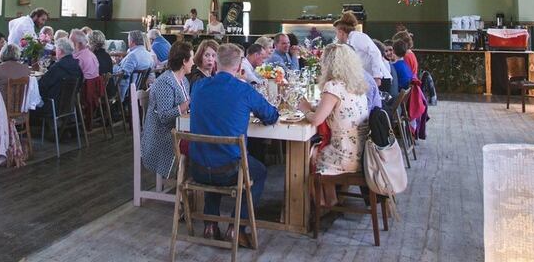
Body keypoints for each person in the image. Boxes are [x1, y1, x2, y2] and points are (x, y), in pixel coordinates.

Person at [190, 44, 279, 246]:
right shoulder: (244, 90)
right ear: (240, 66)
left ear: (216, 64)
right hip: (228, 170)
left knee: (213, 154)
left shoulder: (198, 87)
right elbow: (271, 115)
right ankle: (236, 229)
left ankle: (210, 225)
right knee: (259, 171)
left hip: (198, 169)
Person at [297, 44, 371, 206]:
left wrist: (304, 110)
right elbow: (337, 109)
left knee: (309, 156)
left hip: (345, 155)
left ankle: (324, 202)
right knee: (318, 150)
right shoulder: (356, 85)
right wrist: (312, 108)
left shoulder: (333, 86)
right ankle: (331, 199)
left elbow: (316, 120)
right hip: (362, 152)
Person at [141, 42, 193, 179]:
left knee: (201, 143)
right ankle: (188, 188)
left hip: (177, 131)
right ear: (184, 61)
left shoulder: (184, 81)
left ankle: (191, 188)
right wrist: (187, 104)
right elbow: (164, 117)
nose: (193, 62)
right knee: (199, 146)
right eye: (191, 59)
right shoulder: (165, 82)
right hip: (161, 136)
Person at [334, 12, 390, 85]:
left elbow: (375, 53)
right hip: (369, 79)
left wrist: (377, 77)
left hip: (380, 80)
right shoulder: (349, 41)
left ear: (341, 32)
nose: (336, 36)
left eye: (336, 33)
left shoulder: (357, 37)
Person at [34, 37, 82, 116]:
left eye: (56, 49)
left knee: (29, 102)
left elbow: (41, 86)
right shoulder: (77, 65)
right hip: (69, 105)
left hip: (52, 106)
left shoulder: (58, 67)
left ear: (60, 51)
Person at [71, 30, 103, 119]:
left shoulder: (78, 58)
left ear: (79, 44)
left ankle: (64, 122)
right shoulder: (91, 55)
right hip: (93, 93)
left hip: (83, 95)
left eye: (72, 42)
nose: (70, 45)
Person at [115, 30, 154, 100]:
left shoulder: (133, 55)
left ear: (132, 41)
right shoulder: (149, 55)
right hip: (138, 88)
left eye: (128, 40)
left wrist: (115, 66)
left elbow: (124, 74)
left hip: (127, 90)